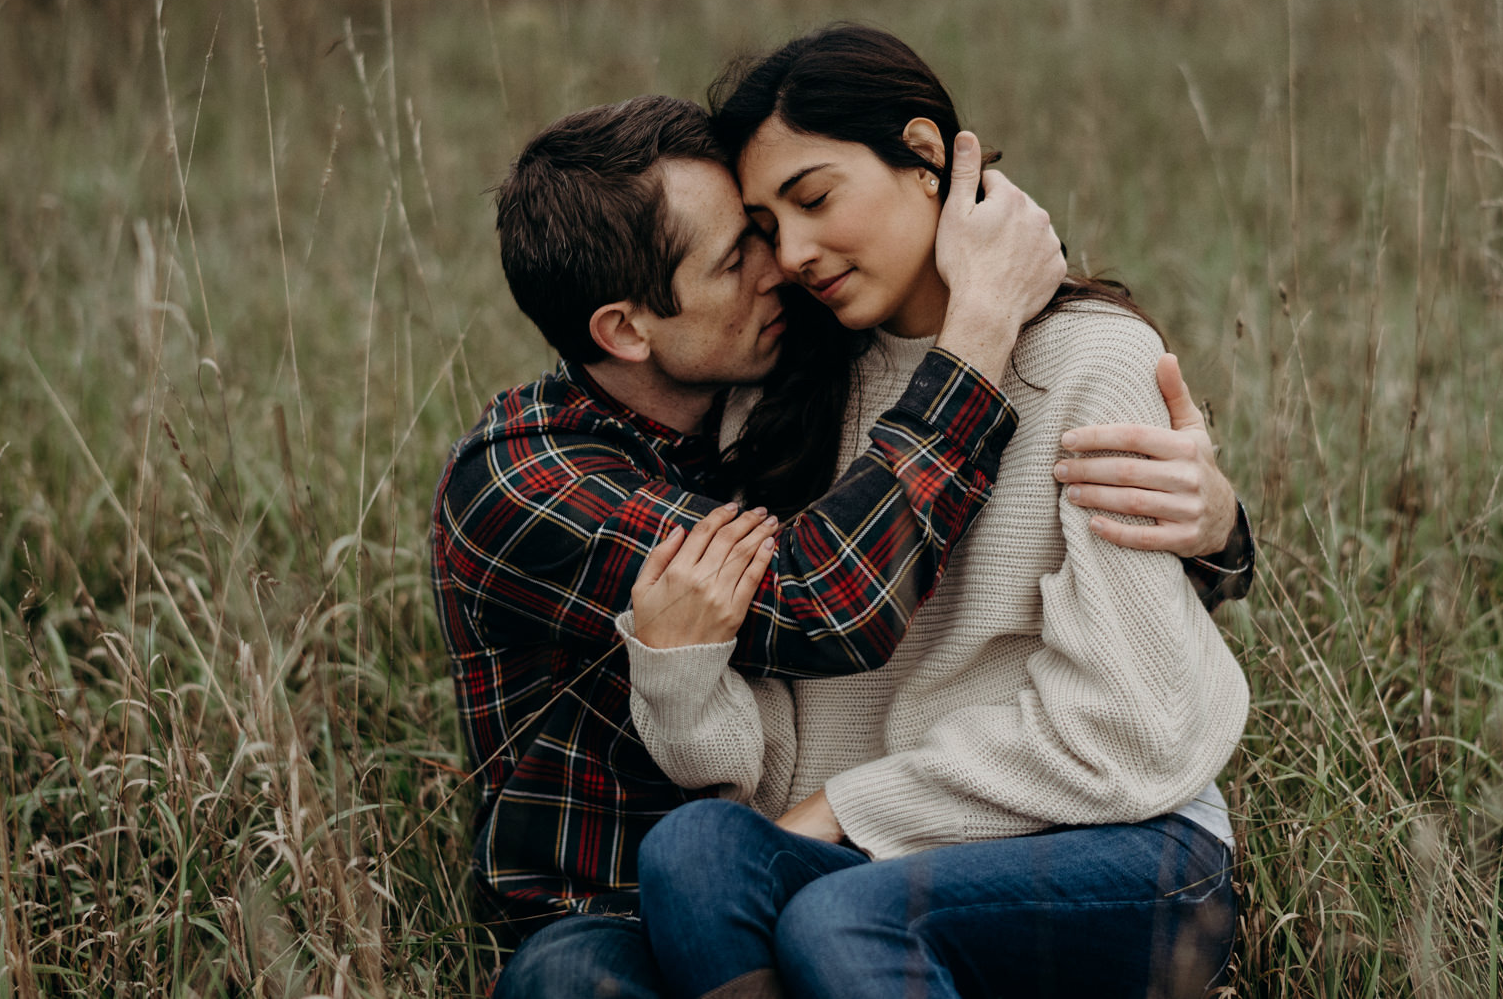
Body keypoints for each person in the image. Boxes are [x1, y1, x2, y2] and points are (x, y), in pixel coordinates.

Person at [432, 93, 1256, 996]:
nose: (782, 266)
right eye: (739, 252)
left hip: (865, 853)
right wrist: (976, 338)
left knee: (817, 912)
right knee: (577, 979)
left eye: (780, 222)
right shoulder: (527, 484)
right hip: (625, 894)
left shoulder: (776, 372)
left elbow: (1112, 615)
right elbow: (828, 603)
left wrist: (1217, 529)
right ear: (627, 330)